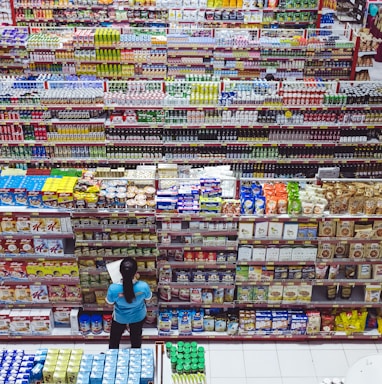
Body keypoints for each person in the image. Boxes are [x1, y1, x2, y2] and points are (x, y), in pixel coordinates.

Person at [106, 257, 152, 349]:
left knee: (114, 339)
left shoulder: (113, 288)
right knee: (136, 338)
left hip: (120, 318)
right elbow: (148, 300)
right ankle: (136, 354)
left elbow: (109, 304)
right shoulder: (143, 286)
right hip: (138, 316)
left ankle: (113, 357)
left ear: (120, 272)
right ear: (136, 273)